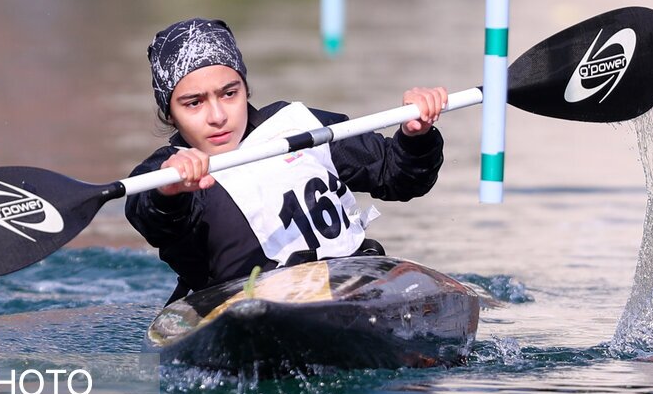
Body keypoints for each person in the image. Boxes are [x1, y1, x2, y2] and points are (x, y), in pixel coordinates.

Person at [125, 18, 448, 303]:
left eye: (229, 93)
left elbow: (399, 177)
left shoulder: (300, 124)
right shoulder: (167, 172)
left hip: (354, 286)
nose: (218, 116)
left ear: (246, 89)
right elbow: (151, 217)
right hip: (249, 310)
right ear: (170, 112)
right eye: (194, 103)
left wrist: (415, 136)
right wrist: (168, 192)